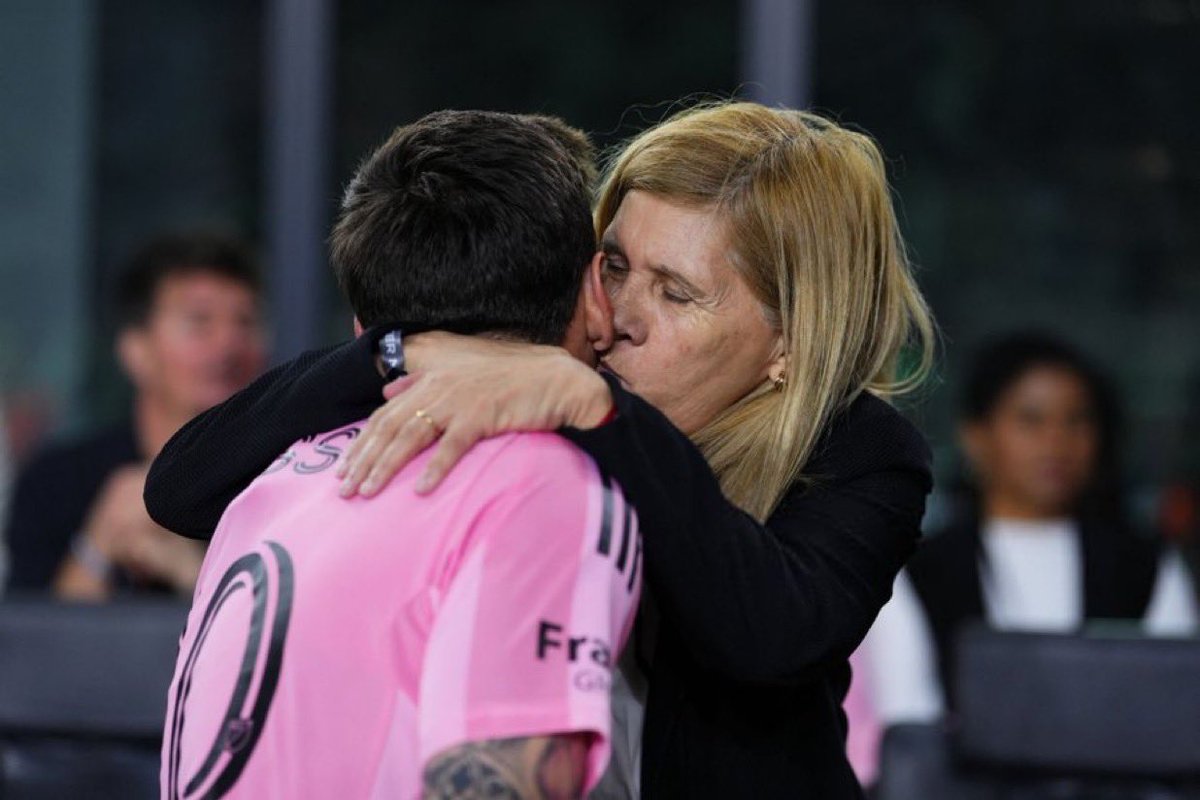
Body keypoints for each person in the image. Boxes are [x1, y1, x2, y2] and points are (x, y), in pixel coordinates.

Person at [146, 101, 936, 798]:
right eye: (616, 266)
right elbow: (182, 489)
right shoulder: (538, 396)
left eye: (675, 293)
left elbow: (771, 635)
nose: (617, 314)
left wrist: (603, 411)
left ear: (790, 342)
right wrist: (398, 352)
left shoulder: (861, 450)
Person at [162, 110, 639, 799]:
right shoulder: (544, 483)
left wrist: (394, 353)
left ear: (361, 327)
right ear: (594, 290)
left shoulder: (280, 473)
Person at [861, 332, 1198, 726]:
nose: (1055, 442)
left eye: (1077, 420)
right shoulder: (917, 571)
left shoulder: (1146, 565)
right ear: (977, 437)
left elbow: (1175, 707)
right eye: (1031, 420)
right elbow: (910, 722)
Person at [3, 233, 266, 599]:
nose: (228, 344)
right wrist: (98, 547)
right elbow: (33, 647)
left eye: (245, 322)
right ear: (135, 351)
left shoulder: (280, 482)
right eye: (199, 323)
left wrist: (194, 574)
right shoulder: (56, 483)